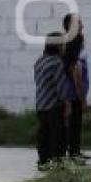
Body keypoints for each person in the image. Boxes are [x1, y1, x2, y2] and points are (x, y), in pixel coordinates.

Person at [34, 32, 67, 169]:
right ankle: (58, 161)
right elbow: (61, 86)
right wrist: (67, 103)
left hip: (40, 102)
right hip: (54, 104)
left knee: (44, 132)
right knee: (57, 134)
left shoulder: (39, 61)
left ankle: (43, 160)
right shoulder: (57, 62)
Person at [62, 13, 90, 162]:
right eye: (79, 23)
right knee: (74, 123)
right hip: (73, 92)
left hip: (72, 91)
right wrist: (82, 96)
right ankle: (73, 153)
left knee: (75, 123)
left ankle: (75, 151)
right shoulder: (74, 41)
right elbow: (75, 71)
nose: (82, 25)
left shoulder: (69, 41)